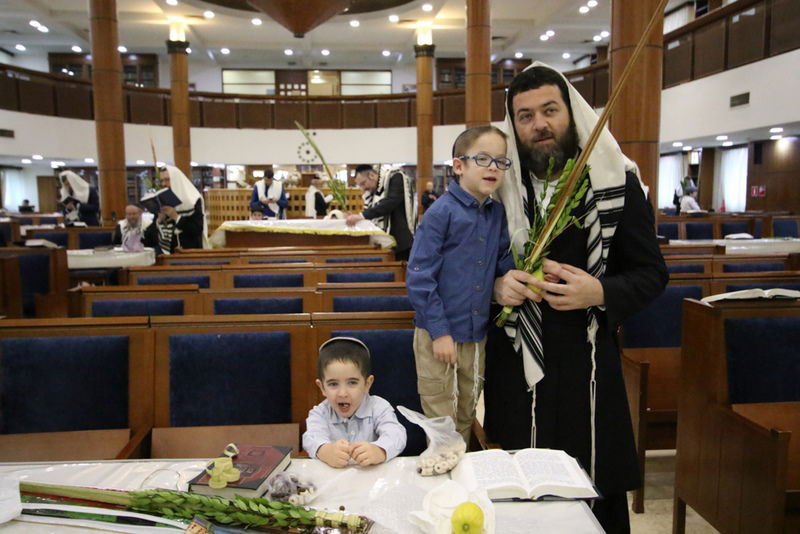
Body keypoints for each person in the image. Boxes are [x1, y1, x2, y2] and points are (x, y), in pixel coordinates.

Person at [484, 63, 668, 533]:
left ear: (572, 113)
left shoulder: (616, 181)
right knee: (517, 498)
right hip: (514, 372)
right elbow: (459, 274)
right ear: (513, 126)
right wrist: (494, 287)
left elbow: (651, 274)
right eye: (524, 116)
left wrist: (600, 290)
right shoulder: (492, 190)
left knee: (593, 494)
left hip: (587, 369)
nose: (538, 124)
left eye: (549, 110)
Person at [406, 125, 515, 444]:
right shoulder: (441, 213)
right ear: (458, 166)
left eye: (501, 161)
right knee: (441, 415)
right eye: (483, 158)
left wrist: (520, 275)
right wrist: (440, 332)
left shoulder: (497, 213)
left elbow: (502, 261)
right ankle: (442, 484)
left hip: (476, 332)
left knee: (468, 407)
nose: (493, 167)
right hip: (439, 334)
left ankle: (461, 482)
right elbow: (419, 277)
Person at [302, 337, 407, 468]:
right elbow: (311, 437)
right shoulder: (319, 413)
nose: (342, 393)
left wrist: (379, 450)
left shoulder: (379, 407)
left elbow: (397, 434)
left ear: (367, 384)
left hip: (372, 480)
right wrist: (325, 450)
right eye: (333, 384)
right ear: (322, 387)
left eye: (352, 383)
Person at [345, 164, 415, 261]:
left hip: (400, 242)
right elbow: (373, 209)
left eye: (363, 183)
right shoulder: (373, 191)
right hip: (382, 243)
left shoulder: (395, 177)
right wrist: (356, 217)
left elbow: (390, 202)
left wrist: (361, 216)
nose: (363, 189)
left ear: (372, 175)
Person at [144, 165, 207, 255]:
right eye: (162, 180)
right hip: (166, 254)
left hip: (189, 252)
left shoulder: (192, 200)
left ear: (176, 180)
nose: (163, 184)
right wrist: (158, 221)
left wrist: (176, 217)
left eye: (167, 180)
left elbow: (197, 229)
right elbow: (151, 236)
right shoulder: (162, 200)